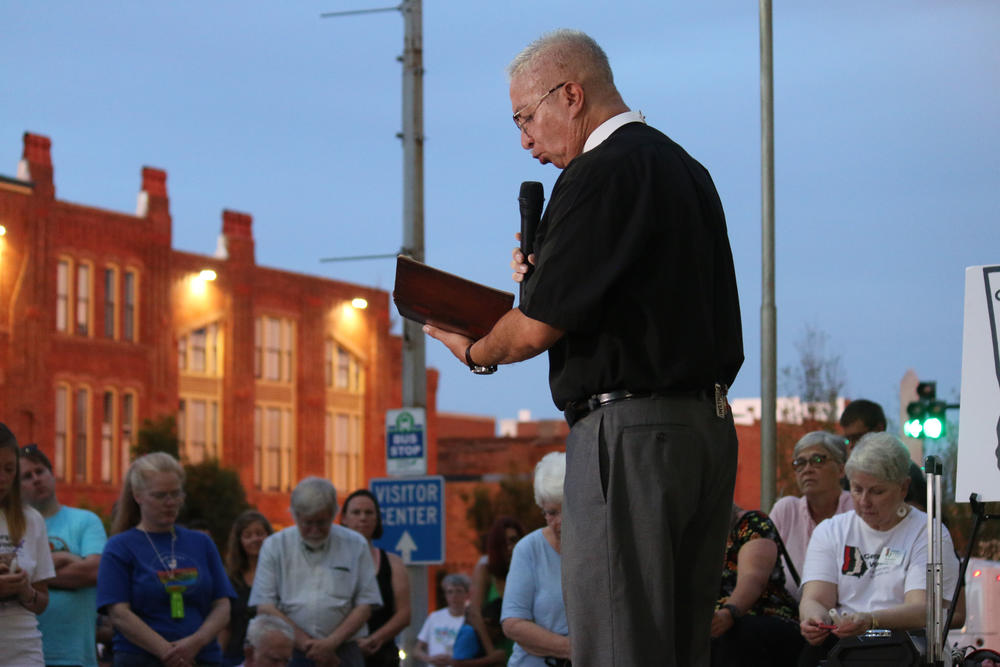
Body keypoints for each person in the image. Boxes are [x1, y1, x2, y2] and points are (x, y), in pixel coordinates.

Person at [422, 29, 743, 666]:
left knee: (619, 644)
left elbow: (536, 327)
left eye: (525, 117)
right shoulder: (687, 170)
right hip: (704, 430)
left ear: (571, 94)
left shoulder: (597, 173)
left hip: (628, 437)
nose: (524, 141)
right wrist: (551, 269)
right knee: (680, 649)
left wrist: (477, 348)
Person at [798, 432, 964, 666]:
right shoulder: (830, 530)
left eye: (877, 491)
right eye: (857, 489)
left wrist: (871, 620)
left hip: (905, 648)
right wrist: (814, 619)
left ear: (903, 488)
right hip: (846, 648)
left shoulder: (927, 532)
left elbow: (921, 610)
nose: (864, 501)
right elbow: (814, 597)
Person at [97, 451, 235, 666]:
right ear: (138, 495)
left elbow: (222, 605)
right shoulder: (120, 547)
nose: (170, 502)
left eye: (176, 494)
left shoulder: (202, 543)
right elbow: (119, 613)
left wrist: (195, 643)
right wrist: (167, 652)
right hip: (142, 659)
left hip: (202, 658)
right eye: (160, 495)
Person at [249, 477, 382, 667]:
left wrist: (331, 643)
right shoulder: (275, 546)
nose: (314, 530)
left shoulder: (355, 544)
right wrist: (308, 645)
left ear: (333, 514)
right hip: (289, 649)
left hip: (344, 648)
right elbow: (265, 605)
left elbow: (366, 604)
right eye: (307, 523)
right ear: (295, 516)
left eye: (321, 523)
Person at [21, 442, 108, 667]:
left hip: (76, 655)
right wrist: (69, 559)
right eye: (26, 476)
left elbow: (94, 571)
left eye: (40, 471)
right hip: (24, 654)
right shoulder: (14, 528)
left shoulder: (85, 521)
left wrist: (30, 576)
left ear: (52, 474)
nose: (36, 479)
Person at [710, 504, 802, 667]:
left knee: (734, 636)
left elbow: (753, 578)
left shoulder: (752, 523)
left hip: (762, 615)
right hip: (711, 623)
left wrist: (729, 612)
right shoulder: (682, 532)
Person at [501, 451, 570, 667]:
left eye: (566, 511)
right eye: (550, 512)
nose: (558, 522)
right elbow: (513, 623)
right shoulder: (528, 549)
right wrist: (572, 649)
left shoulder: (600, 548)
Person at [770, 432, 853, 599]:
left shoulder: (857, 508)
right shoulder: (786, 510)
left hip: (849, 618)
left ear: (841, 469)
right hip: (788, 619)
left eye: (818, 460)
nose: (807, 469)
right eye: (799, 463)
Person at [0, 423, 54, 665]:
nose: (2, 478)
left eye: (9, 469)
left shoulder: (32, 520)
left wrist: (24, 590)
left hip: (22, 650)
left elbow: (42, 602)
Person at [339, 489, 411, 667]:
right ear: (344, 519)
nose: (363, 518)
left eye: (369, 512)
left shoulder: (393, 563)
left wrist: (374, 639)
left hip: (381, 655)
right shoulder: (330, 561)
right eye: (356, 512)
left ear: (377, 519)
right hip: (339, 655)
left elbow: (404, 613)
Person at [839, 399, 926, 508]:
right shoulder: (848, 475)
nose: (851, 445)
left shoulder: (908, 471)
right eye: (848, 439)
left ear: (879, 429)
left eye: (857, 438)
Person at [220, 510, 274, 667]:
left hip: (271, 658)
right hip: (235, 657)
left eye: (259, 533)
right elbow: (226, 627)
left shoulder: (280, 576)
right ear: (239, 542)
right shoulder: (231, 579)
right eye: (248, 535)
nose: (255, 539)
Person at [468, 517, 523, 660]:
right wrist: (491, 653)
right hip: (497, 651)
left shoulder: (530, 572)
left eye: (513, 540)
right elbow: (475, 614)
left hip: (526, 651)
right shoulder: (486, 571)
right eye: (504, 543)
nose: (510, 547)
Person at [413, 573, 472, 666]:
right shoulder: (434, 617)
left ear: (467, 594)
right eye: (450, 592)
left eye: (459, 591)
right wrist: (430, 659)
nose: (454, 596)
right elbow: (417, 650)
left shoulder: (471, 620)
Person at [451, 599, 506, 667]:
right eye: (498, 632)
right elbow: (457, 663)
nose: (498, 635)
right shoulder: (469, 633)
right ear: (486, 622)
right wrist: (490, 659)